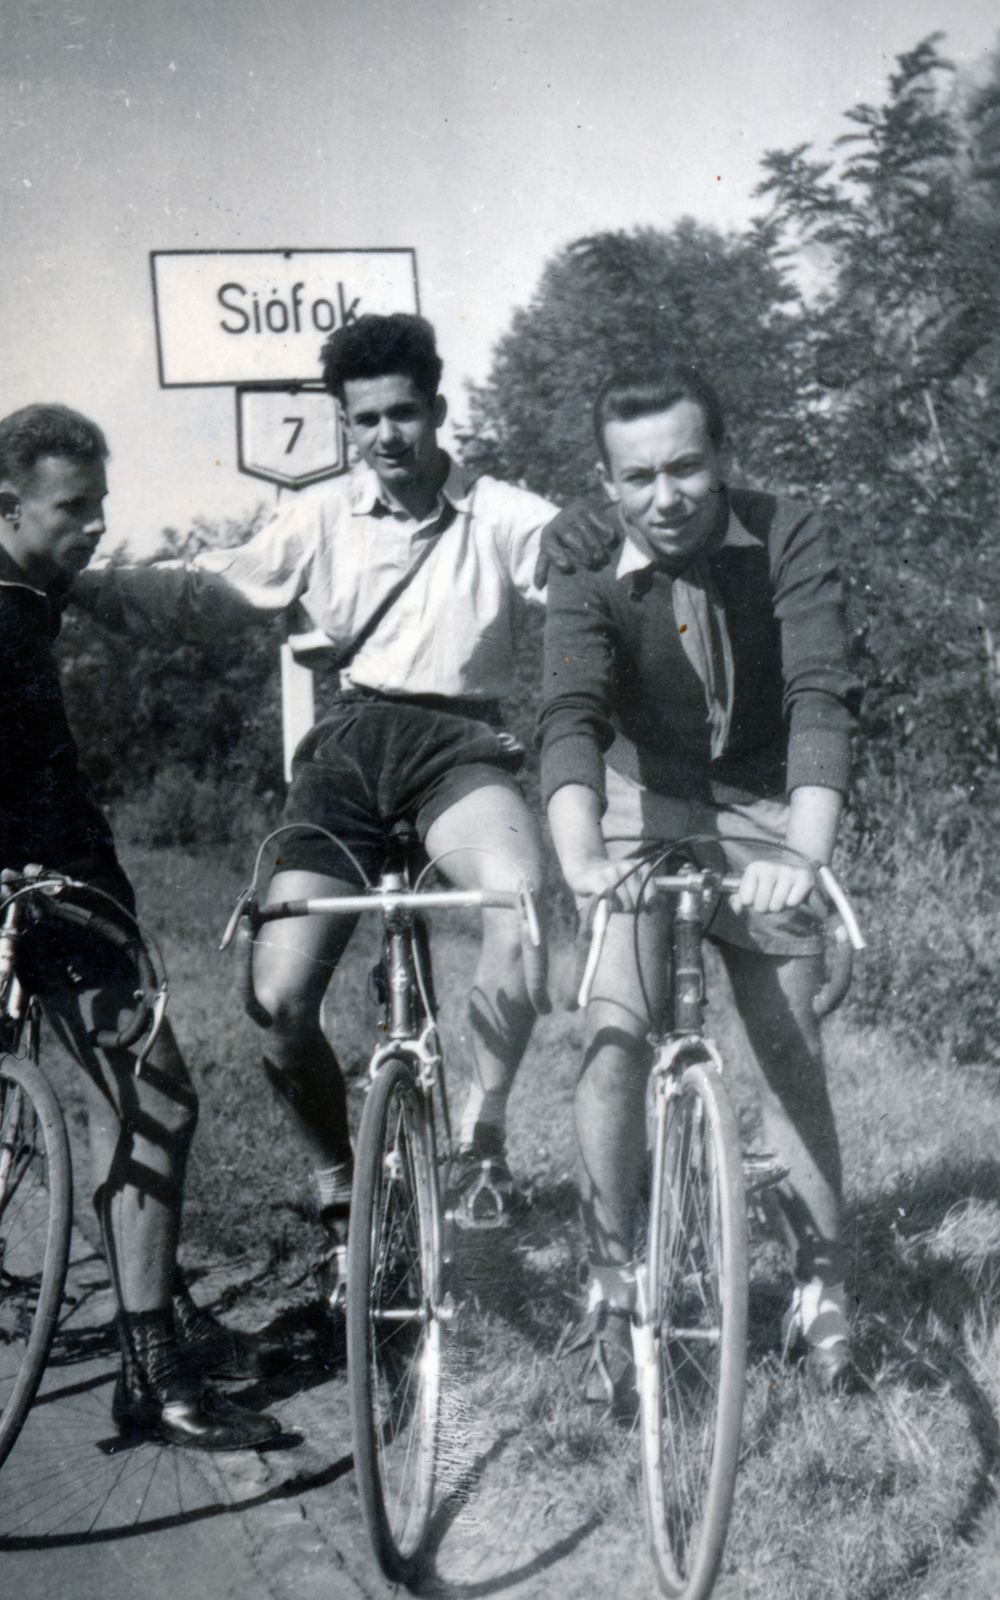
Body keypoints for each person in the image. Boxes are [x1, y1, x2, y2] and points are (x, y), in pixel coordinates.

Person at [74, 313, 557, 1257]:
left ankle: (481, 1143)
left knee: (520, 900)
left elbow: (583, 564)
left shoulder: (500, 511)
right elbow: (212, 585)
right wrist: (78, 582)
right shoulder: (322, 515)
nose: (388, 436)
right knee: (280, 996)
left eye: (405, 413)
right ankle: (340, 1174)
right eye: (366, 418)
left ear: (438, 410)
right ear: (346, 425)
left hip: (459, 749)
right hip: (346, 748)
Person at [0, 405, 284, 1450]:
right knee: (156, 1104)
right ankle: (155, 1375)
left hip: (34, 888)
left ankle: (152, 1310)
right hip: (51, 895)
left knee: (109, 1110)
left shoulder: (9, 587)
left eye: (100, 506)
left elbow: (105, 591)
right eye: (75, 510)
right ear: (10, 503)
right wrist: (8, 878)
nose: (93, 527)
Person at [537, 360, 861, 1401]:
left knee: (786, 1043)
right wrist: (583, 864)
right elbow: (570, 717)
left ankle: (819, 1281)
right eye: (636, 477)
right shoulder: (581, 558)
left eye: (684, 468)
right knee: (611, 1030)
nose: (663, 498)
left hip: (765, 802)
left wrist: (802, 859)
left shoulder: (785, 530)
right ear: (606, 482)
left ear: (721, 456)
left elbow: (820, 696)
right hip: (638, 802)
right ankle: (610, 1273)